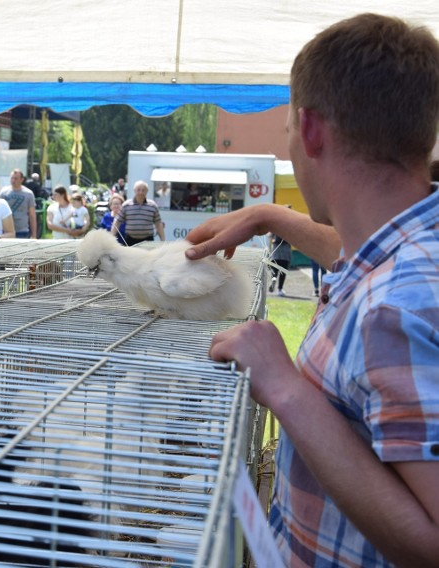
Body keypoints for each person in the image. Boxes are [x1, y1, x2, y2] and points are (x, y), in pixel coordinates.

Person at [184, 14, 439, 567]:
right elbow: (360, 258)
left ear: (312, 130)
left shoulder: (399, 306)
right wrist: (269, 216)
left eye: (289, 134)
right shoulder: (412, 245)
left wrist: (285, 387)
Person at [111, 180, 165, 245]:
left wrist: (163, 240)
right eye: (138, 190)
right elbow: (117, 221)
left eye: (143, 190)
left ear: (147, 191)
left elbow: (158, 223)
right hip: (130, 241)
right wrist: (111, 237)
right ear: (134, 191)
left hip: (148, 241)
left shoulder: (153, 206)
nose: (141, 192)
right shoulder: (126, 205)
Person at [0, 168, 37, 238]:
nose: (13, 180)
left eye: (16, 178)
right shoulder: (3, 193)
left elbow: (32, 215)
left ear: (22, 179)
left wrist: (34, 234)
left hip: (22, 231)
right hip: (6, 231)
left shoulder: (28, 194)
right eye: (12, 178)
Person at [268, 230, 292, 296]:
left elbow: (269, 236)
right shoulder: (289, 227)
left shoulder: (275, 225)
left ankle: (274, 278)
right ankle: (280, 289)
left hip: (276, 250)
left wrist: (270, 250)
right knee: (282, 272)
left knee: (274, 270)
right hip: (285, 252)